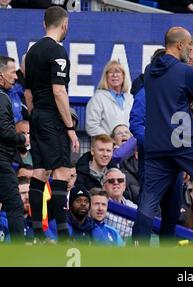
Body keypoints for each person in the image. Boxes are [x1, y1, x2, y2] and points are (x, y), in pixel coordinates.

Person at [133, 26, 193, 244]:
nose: (190, 51)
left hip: (156, 146)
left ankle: (136, 250)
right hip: (182, 142)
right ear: (179, 45)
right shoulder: (186, 71)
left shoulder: (149, 72)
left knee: (148, 202)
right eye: (188, 46)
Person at [24, 6, 79, 242]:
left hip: (36, 115)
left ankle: (38, 232)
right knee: (61, 172)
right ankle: (65, 235)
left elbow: (27, 92)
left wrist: (35, 117)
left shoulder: (31, 52)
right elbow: (59, 91)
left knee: (40, 171)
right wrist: (69, 127)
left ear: (44, 23)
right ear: (64, 25)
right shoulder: (57, 51)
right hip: (52, 118)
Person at [0, 55, 26, 242]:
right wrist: (22, 138)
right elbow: (4, 131)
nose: (16, 77)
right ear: (0, 75)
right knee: (15, 206)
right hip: (1, 161)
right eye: (12, 72)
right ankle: (18, 252)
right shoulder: (2, 98)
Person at [85, 60, 133, 137]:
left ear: (123, 76)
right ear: (106, 76)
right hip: (107, 147)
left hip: (130, 146)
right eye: (111, 72)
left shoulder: (131, 99)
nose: (115, 75)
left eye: (118, 72)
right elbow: (91, 126)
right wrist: (110, 141)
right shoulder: (98, 98)